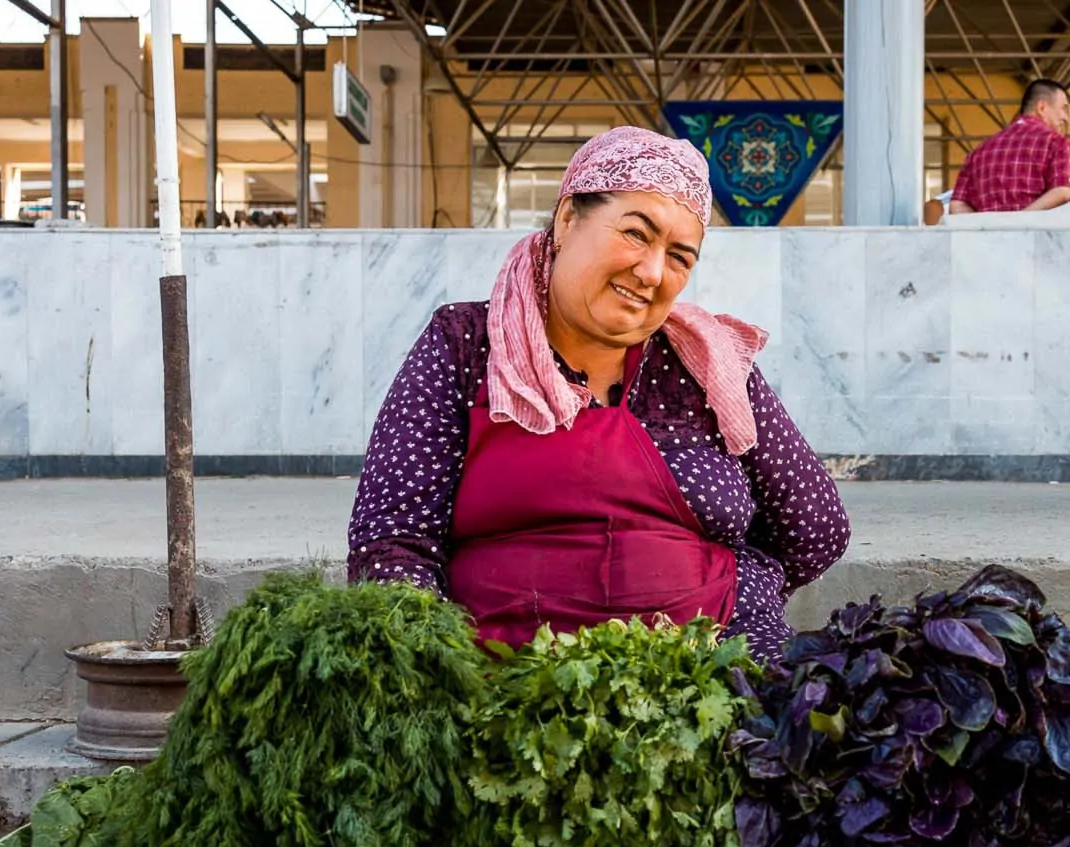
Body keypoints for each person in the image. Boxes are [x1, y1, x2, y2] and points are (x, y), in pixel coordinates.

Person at [347, 126, 850, 660]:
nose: (653, 272)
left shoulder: (709, 365)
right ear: (567, 219)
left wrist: (739, 589)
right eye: (636, 233)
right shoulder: (468, 344)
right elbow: (393, 542)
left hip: (716, 673)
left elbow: (815, 527)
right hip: (506, 689)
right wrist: (438, 672)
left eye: (680, 257)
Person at [925, 79, 1070, 222]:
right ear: (1041, 107)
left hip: (987, 247)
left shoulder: (979, 152)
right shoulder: (1057, 143)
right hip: (1037, 245)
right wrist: (1018, 222)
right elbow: (1062, 191)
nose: (1066, 118)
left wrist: (989, 229)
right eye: (1063, 108)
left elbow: (957, 205)